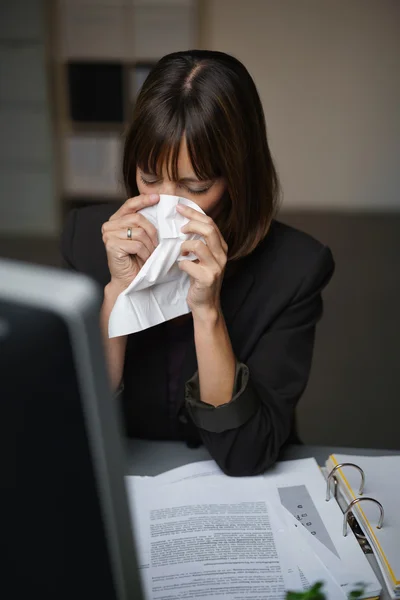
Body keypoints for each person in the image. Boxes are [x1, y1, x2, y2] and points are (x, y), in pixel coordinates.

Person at [61, 50, 334, 476]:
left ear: (237, 179)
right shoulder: (86, 238)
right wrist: (118, 292)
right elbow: (71, 429)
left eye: (196, 186)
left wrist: (208, 312)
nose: (167, 203)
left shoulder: (295, 269)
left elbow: (246, 454)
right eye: (150, 178)